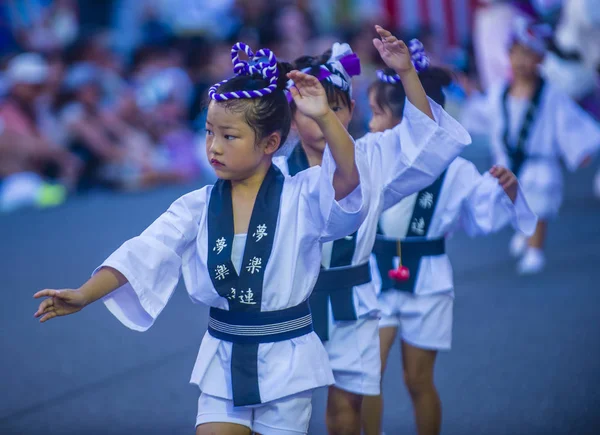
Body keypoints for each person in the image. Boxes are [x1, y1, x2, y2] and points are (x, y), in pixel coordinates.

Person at [33, 42, 370, 435]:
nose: (213, 147)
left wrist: (325, 117)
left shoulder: (304, 195)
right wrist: (85, 293)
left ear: (270, 144)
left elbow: (347, 180)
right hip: (223, 359)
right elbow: (147, 249)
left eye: (229, 136)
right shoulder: (197, 205)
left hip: (287, 361)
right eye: (210, 132)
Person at [274, 27, 472, 435]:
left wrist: (407, 74)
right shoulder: (274, 173)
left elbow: (425, 138)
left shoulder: (373, 155)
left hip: (356, 298)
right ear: (293, 115)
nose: (323, 114)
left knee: (348, 404)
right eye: (312, 106)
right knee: (290, 409)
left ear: (348, 112)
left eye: (336, 106)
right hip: (294, 302)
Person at [360, 65, 538, 435]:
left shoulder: (454, 170)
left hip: (428, 279)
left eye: (378, 114)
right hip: (376, 274)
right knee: (365, 375)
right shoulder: (369, 155)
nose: (371, 125)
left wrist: (504, 189)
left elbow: (480, 217)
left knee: (417, 380)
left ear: (411, 119)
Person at [461, 16, 600, 274]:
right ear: (509, 55)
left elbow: (567, 122)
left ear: (541, 59)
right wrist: (468, 98)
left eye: (530, 55)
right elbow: (480, 114)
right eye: (517, 54)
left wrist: (578, 148)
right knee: (509, 203)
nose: (523, 61)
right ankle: (524, 235)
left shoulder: (552, 96)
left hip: (539, 163)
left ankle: (535, 250)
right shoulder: (498, 93)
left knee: (538, 204)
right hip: (507, 162)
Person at [0, 53, 79, 212]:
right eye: (34, 86)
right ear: (17, 85)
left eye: (40, 86)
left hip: (36, 180)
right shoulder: (6, 110)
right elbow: (32, 144)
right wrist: (62, 157)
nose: (38, 91)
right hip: (12, 185)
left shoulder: (37, 108)